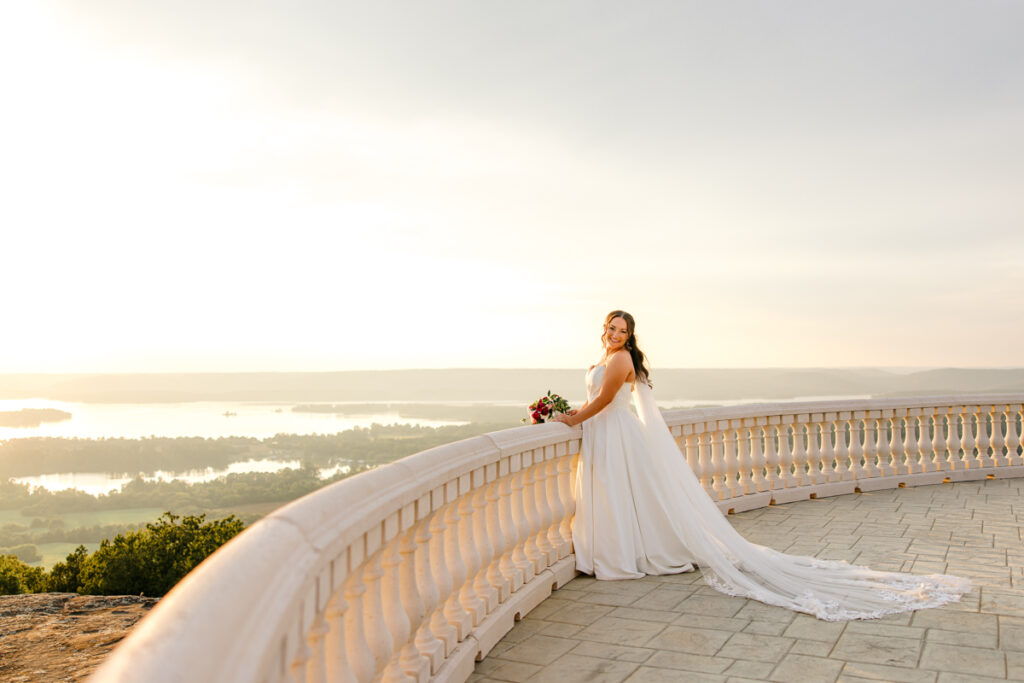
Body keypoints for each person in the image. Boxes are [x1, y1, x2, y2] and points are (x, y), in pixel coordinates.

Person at [551, 310, 971, 621]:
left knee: (618, 493)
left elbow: (606, 402)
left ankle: (625, 553)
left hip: (617, 434)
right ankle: (619, 549)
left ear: (629, 336)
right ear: (602, 328)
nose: (615, 334)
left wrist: (572, 420)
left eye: (622, 331)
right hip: (606, 434)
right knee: (617, 495)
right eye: (611, 328)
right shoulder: (608, 358)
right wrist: (573, 412)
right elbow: (596, 400)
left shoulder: (621, 359)